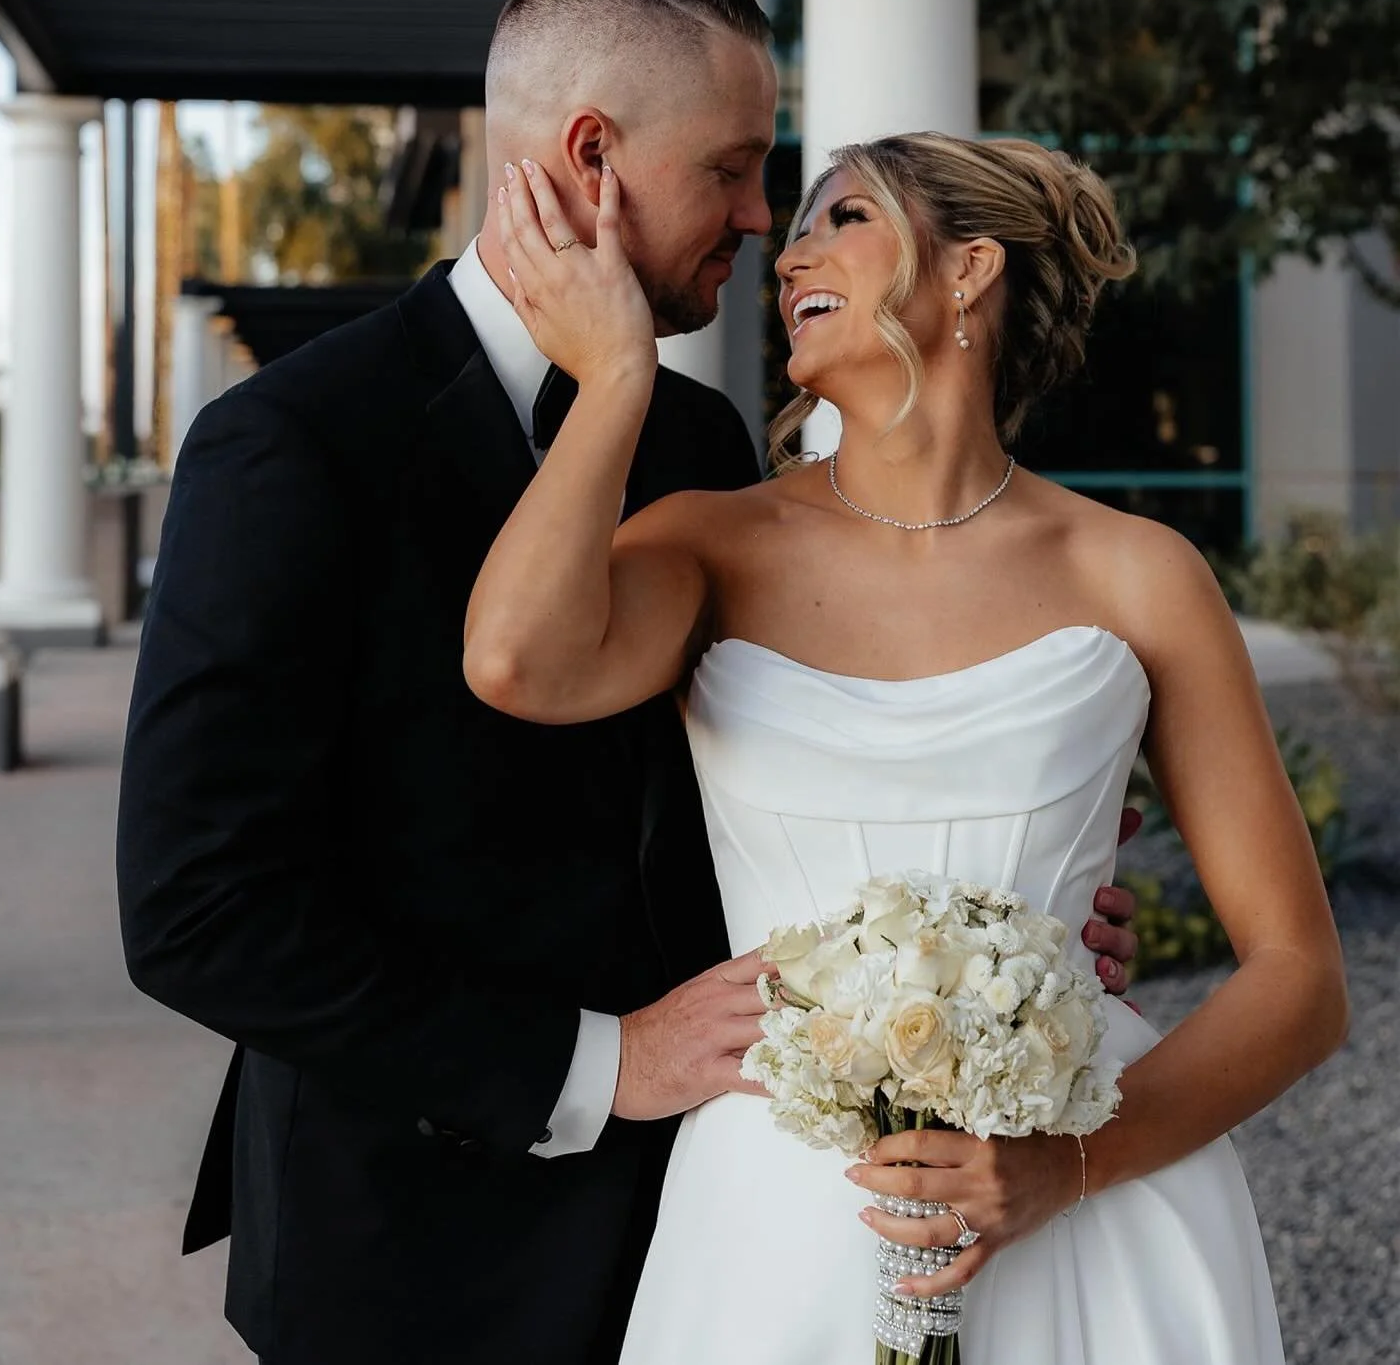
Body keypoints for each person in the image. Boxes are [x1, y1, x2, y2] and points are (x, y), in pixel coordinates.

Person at [116, 0, 1138, 1365]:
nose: (762, 219)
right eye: (733, 169)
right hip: (413, 1240)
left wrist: (992, 934)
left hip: (720, 1216)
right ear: (594, 156)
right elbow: (197, 908)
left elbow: (750, 777)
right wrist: (602, 1060)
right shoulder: (292, 442)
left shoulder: (700, 441)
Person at [463, 131, 1350, 1365]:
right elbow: (516, 662)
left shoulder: (1139, 573)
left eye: (844, 218)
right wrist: (616, 376)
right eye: (796, 234)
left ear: (970, 268)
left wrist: (1066, 1166)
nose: (790, 257)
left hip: (1090, 1205)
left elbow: (1301, 975)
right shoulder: (711, 544)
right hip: (781, 1207)